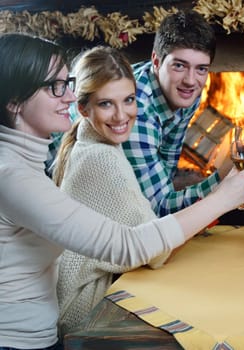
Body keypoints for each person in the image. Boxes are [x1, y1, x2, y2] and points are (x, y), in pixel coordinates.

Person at [0, 32, 244, 350]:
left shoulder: (26, 164)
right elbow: (129, 246)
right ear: (13, 101)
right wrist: (222, 198)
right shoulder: (13, 176)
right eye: (55, 87)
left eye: (67, 83)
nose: (68, 97)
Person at [52, 47, 172, 336]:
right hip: (85, 312)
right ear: (83, 108)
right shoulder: (100, 158)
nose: (122, 115)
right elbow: (157, 251)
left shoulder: (90, 144)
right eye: (106, 104)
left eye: (128, 100)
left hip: (90, 297)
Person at [121, 9, 233, 216]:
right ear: (156, 61)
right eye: (179, 66)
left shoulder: (185, 91)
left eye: (201, 69)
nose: (191, 81)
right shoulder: (135, 113)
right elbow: (157, 207)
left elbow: (169, 160)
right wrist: (222, 178)